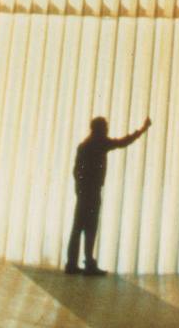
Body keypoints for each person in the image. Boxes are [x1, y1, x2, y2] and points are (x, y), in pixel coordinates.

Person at [65, 111, 151, 274]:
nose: (107, 130)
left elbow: (76, 171)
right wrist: (143, 129)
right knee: (90, 227)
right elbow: (124, 142)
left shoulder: (84, 146)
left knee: (78, 227)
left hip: (83, 192)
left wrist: (79, 189)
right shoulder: (99, 143)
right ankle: (89, 264)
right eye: (105, 127)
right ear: (99, 129)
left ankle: (71, 264)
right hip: (92, 192)